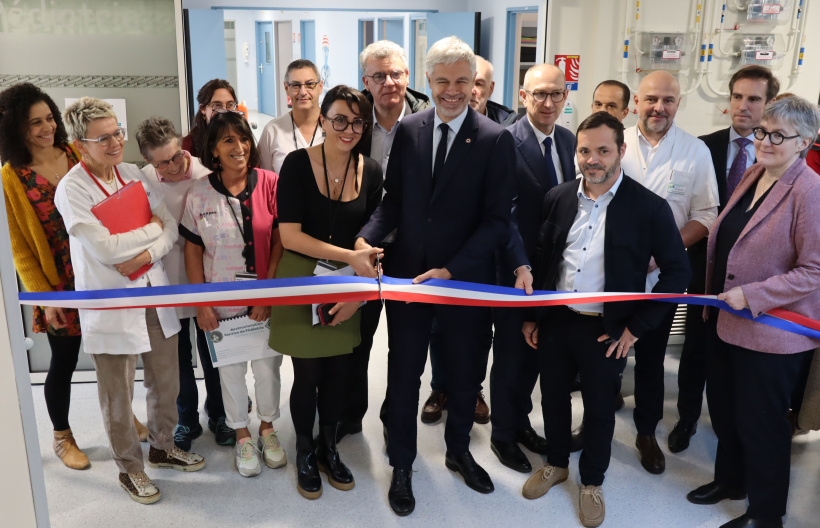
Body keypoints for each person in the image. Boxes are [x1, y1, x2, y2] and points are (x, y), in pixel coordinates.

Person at [356, 36, 515, 516]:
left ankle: (459, 451)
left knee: (465, 377)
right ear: (427, 81)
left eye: (462, 82)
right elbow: (394, 204)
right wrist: (366, 239)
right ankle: (402, 464)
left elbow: (497, 222)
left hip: (464, 283)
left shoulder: (495, 138)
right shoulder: (409, 131)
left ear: (474, 84)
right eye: (442, 81)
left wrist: (453, 268)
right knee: (403, 378)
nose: (452, 91)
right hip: (408, 283)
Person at [521, 111, 690, 528]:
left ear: (621, 151)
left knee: (599, 408)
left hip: (608, 329)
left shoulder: (649, 208)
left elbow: (677, 273)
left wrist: (635, 328)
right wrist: (532, 316)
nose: (592, 159)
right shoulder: (558, 197)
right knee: (553, 397)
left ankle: (592, 481)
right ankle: (557, 463)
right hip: (558, 319)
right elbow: (546, 262)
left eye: (602, 150)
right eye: (584, 150)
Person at [54, 97, 204, 504]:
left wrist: (146, 252)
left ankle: (162, 445)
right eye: (104, 138)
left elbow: (170, 227)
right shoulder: (72, 190)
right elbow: (104, 249)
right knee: (117, 395)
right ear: (80, 144)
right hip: (112, 303)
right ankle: (131, 469)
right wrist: (148, 229)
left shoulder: (134, 173)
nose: (116, 142)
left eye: (118, 131)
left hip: (154, 291)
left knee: (166, 380)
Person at [687, 96, 820, 528]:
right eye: (763, 131)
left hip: (773, 333)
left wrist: (755, 295)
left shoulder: (810, 191)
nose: (765, 140)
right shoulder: (755, 172)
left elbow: (814, 270)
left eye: (778, 135)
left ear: (806, 142)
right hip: (728, 323)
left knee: (762, 426)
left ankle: (766, 515)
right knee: (726, 412)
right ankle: (730, 481)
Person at [271, 85, 382, 500]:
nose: (348, 129)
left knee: (340, 373)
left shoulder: (370, 170)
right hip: (302, 278)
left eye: (357, 122)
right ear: (322, 120)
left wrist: (360, 261)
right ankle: (303, 450)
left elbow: (366, 232)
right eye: (339, 119)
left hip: (345, 284)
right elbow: (291, 236)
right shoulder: (297, 165)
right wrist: (350, 257)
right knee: (308, 375)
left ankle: (328, 447)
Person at [672, 66, 779, 454]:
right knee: (695, 350)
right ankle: (685, 420)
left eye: (754, 99)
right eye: (737, 96)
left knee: (735, 359)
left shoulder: (776, 157)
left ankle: (727, 426)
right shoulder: (703, 147)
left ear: (769, 105)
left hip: (753, 280)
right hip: (703, 270)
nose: (743, 106)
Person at [619, 70, 719, 474]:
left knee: (651, 358)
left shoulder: (695, 152)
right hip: (608, 277)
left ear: (679, 104)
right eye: (651, 99)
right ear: (636, 102)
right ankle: (594, 423)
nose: (659, 107)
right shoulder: (616, 143)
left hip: (662, 277)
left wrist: (663, 254)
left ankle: (646, 432)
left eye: (668, 100)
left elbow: (706, 215)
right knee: (602, 353)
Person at [333, 40, 430, 444]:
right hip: (364, 250)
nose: (389, 82)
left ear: (408, 77)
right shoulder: (356, 123)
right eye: (379, 76)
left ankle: (395, 419)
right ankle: (351, 415)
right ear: (365, 82)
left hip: (414, 254)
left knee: (405, 350)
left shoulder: (429, 120)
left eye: (396, 74)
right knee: (357, 340)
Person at [180, 111, 285, 478]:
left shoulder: (270, 183)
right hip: (220, 306)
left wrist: (268, 295)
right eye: (228, 140)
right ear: (213, 150)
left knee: (268, 369)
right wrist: (201, 303)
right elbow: (192, 250)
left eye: (243, 139)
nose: (238, 147)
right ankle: (241, 433)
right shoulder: (198, 193)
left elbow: (279, 243)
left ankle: (267, 429)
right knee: (229, 373)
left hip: (263, 300)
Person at [0, 83, 92, 470]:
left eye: (49, 118)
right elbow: (19, 248)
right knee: (65, 360)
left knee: (110, 352)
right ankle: (62, 435)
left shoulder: (75, 153)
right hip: (57, 282)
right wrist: (44, 296)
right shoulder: (11, 176)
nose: (46, 128)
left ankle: (120, 417)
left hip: (96, 271)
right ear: (16, 130)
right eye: (34, 123)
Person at [488, 64, 574, 473]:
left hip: (555, 270)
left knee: (537, 353)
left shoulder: (571, 141)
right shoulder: (504, 140)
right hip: (513, 268)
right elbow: (500, 214)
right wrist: (521, 262)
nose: (548, 102)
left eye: (556, 94)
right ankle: (502, 434)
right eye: (539, 94)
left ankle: (520, 421)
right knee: (510, 356)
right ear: (523, 96)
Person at [137, 116, 234, 450]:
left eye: (177, 155)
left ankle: (220, 415)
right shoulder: (143, 181)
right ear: (149, 161)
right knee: (177, 359)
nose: (174, 165)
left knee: (214, 354)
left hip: (206, 280)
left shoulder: (207, 177)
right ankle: (186, 421)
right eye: (163, 161)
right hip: (165, 283)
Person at [258, 59, 325, 174]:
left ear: (320, 86)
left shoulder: (334, 127)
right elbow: (266, 182)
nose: (303, 92)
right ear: (286, 88)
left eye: (309, 84)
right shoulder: (272, 131)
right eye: (296, 85)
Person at [182, 79, 239, 157]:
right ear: (203, 108)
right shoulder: (188, 146)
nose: (225, 111)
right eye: (217, 105)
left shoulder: (242, 139)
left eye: (230, 105)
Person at [470, 56, 515, 125]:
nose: (472, 91)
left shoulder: (507, 128)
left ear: (491, 89)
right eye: (466, 82)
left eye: (479, 84)